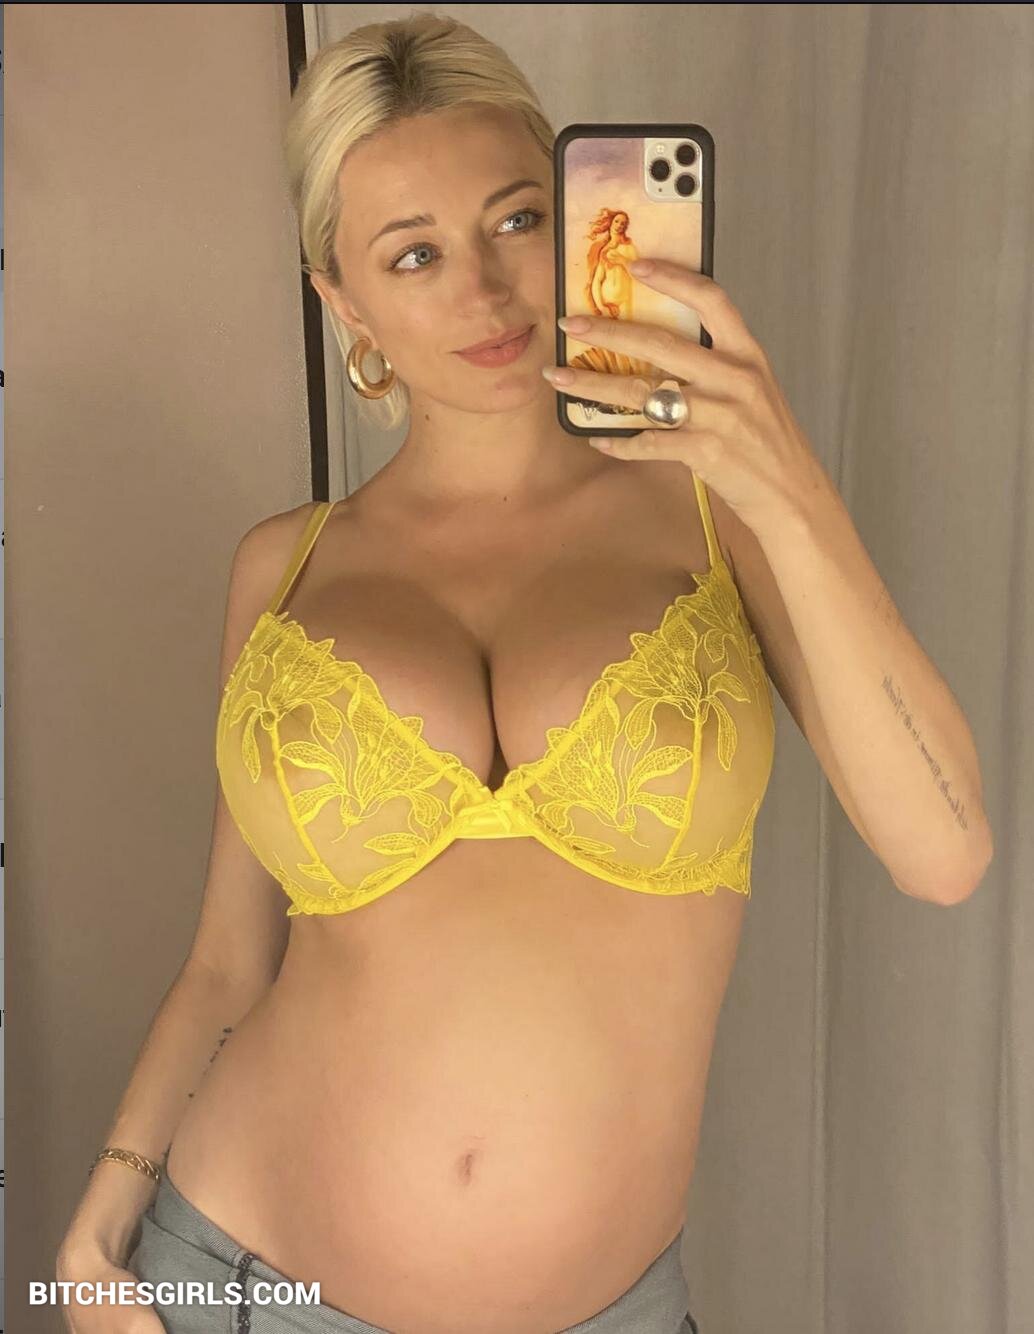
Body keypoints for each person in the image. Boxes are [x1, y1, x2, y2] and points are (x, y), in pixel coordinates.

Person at [57, 13, 787, 1332]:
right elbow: (228, 961)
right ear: (346, 304)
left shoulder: (715, 508)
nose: (484, 291)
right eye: (414, 254)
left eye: (516, 220)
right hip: (233, 1283)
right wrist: (97, 1233)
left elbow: (943, 848)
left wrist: (773, 458)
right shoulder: (282, 565)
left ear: (579, 218)